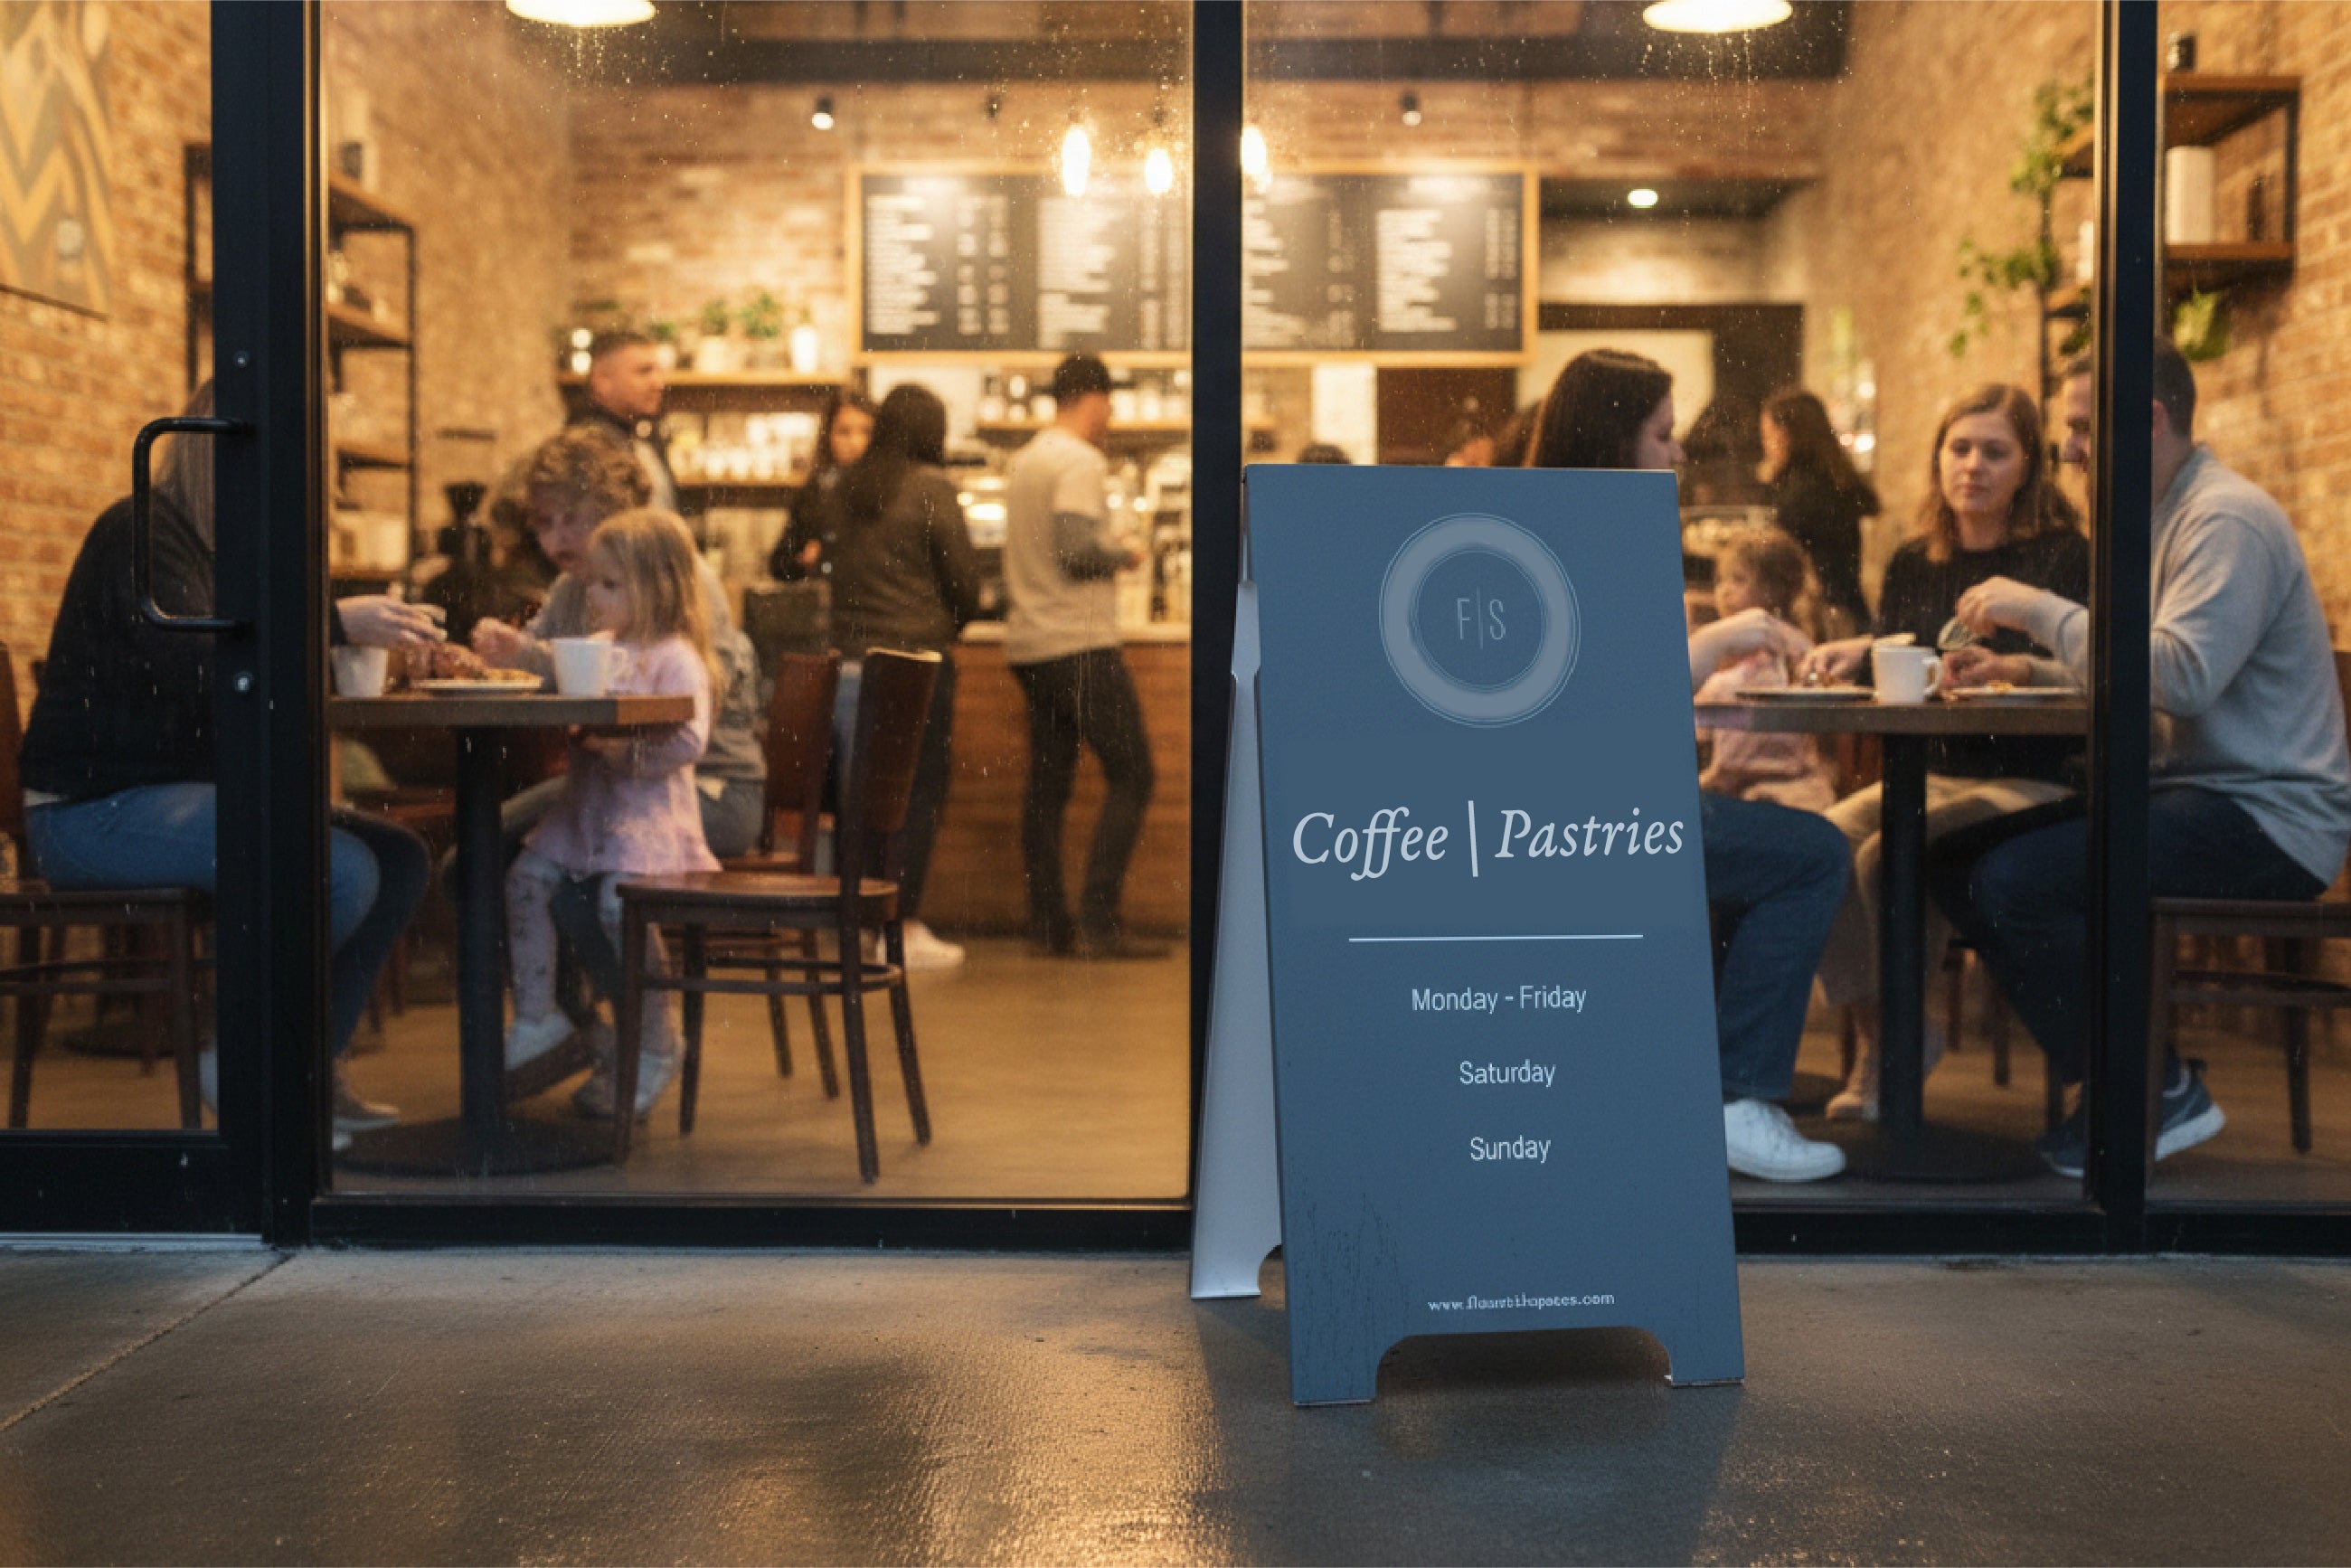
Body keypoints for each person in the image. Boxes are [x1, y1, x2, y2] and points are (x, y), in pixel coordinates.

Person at [1930, 341, 2351, 1177]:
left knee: (2019, 880)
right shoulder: (2162, 516)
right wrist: (2027, 668)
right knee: (1952, 863)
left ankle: (2147, 1092)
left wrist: (2041, 610)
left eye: (2083, 428)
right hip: (2195, 797)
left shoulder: (2222, 518)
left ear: (2148, 420)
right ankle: (2139, 1084)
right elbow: (2145, 667)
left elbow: (2182, 678)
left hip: (2269, 819)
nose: (2072, 450)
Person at [18, 386, 436, 1150]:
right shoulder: (141, 530)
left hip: (158, 799)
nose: (311, 486)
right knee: (340, 871)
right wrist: (335, 624)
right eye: (302, 464)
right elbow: (202, 668)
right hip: (87, 815)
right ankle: (246, 1067)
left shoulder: (219, 551)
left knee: (398, 858)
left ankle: (312, 1071)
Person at [1528, 349, 1849, 1183]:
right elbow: (1612, 705)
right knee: (1814, 854)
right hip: (1589, 822)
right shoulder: (1585, 537)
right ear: (1613, 440)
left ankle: (1702, 1085)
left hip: (1571, 813)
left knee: (1776, 845)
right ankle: (1738, 1099)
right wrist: (1725, 638)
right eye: (1662, 435)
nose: (1677, 454)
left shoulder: (1548, 527)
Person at [1797, 384, 2089, 1121]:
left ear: (2027, 466)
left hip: (2038, 781)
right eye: (1959, 448)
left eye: (1996, 451)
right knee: (1823, 848)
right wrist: (1859, 652)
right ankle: (1892, 1036)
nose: (1974, 466)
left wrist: (2012, 671)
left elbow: (2095, 678)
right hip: (1934, 771)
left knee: (1887, 855)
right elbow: (1911, 656)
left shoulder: (2063, 557)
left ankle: (1891, 1051)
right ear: (1938, 459)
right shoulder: (1915, 561)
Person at [503, 508, 721, 1120]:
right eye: (591, 582)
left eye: (608, 584)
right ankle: (539, 1017)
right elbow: (556, 679)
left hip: (645, 817)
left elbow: (690, 741)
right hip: (587, 812)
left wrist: (623, 750)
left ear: (658, 586)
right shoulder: (599, 649)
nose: (590, 594)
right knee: (524, 880)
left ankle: (655, 1042)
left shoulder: (676, 658)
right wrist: (518, 654)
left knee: (613, 907)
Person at [473, 426, 767, 860]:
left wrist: (535, 659)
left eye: (570, 519)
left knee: (550, 876)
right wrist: (501, 653)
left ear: (616, 511)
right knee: (470, 859)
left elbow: (683, 705)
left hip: (703, 787)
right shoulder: (572, 585)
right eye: (543, 523)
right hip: (616, 781)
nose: (554, 542)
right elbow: (533, 664)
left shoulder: (671, 580)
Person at [807, 383, 982, 972]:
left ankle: (858, 924)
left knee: (859, 799)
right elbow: (965, 586)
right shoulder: (931, 488)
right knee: (917, 795)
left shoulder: (845, 487)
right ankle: (900, 925)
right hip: (916, 665)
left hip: (853, 662)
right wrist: (949, 626)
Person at [1003, 354, 1162, 959]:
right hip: (1079, 643)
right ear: (1091, 398)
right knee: (1134, 774)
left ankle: (1049, 922)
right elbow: (1073, 549)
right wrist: (1122, 553)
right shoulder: (1079, 460)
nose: (1112, 415)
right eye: (1110, 402)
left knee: (1049, 784)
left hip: (1033, 646)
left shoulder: (1027, 461)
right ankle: (1099, 917)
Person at [1694, 525, 1837, 812]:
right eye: (1721, 580)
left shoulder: (1794, 647)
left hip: (1787, 782)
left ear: (1773, 589)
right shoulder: (1716, 646)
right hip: (1727, 783)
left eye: (1739, 580)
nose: (1725, 591)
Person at [1760, 388, 1879, 635]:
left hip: (1823, 621)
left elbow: (1779, 557)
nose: (1766, 446)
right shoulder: (1834, 479)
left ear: (1786, 435)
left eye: (1767, 435)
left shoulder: (1803, 491)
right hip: (1849, 611)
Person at [770, 385, 878, 581]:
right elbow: (779, 564)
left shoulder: (890, 491)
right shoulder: (816, 491)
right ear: (828, 437)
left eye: (866, 432)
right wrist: (803, 559)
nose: (856, 443)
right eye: (844, 432)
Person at [572, 329, 682, 521]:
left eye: (659, 372)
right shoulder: (588, 445)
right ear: (602, 381)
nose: (658, 383)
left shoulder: (638, 436)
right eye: (644, 371)